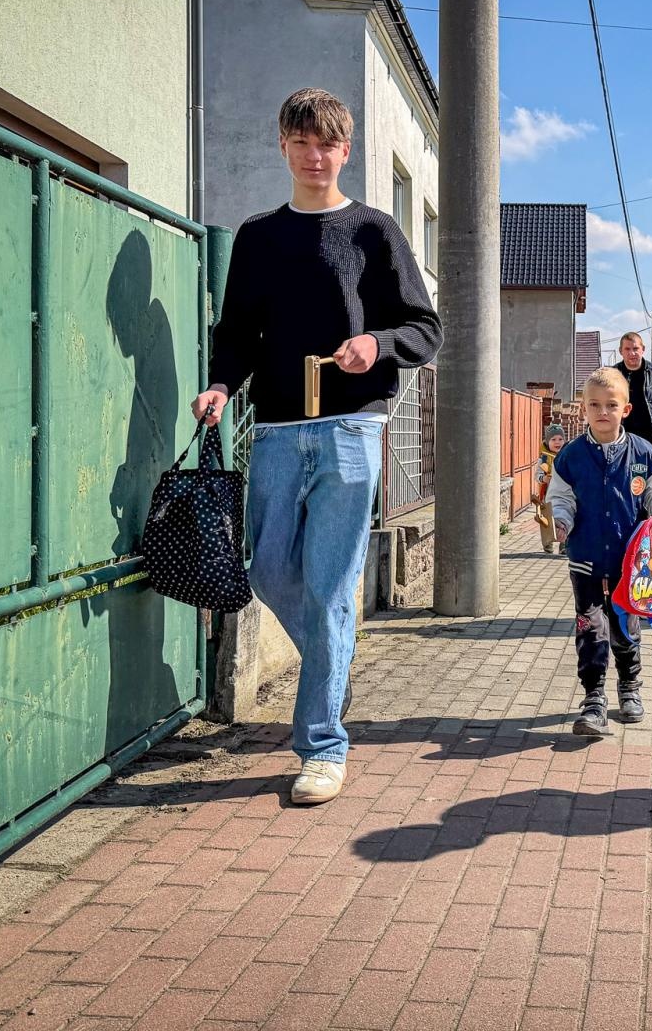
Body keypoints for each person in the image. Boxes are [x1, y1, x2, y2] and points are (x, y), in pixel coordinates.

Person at [192, 88, 442, 806]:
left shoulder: (372, 230)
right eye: (301, 141)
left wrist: (377, 341)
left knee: (332, 587)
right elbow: (237, 330)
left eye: (326, 143)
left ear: (345, 149)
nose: (313, 155)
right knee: (269, 571)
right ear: (282, 145)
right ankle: (332, 665)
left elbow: (426, 329)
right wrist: (219, 384)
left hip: (351, 428)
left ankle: (323, 746)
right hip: (273, 427)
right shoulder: (258, 236)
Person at [546, 368, 652, 737]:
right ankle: (593, 698)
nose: (602, 411)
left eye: (610, 405)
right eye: (594, 405)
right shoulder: (571, 456)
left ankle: (630, 688)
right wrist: (561, 520)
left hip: (629, 560)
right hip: (585, 556)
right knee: (590, 626)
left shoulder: (644, 453)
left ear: (626, 409)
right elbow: (561, 496)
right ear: (583, 409)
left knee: (624, 625)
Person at [534, 422, 567, 554]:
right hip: (548, 494)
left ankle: (564, 544)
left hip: (564, 493)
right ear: (548, 442)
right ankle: (547, 543)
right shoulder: (544, 458)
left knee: (564, 518)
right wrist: (544, 478)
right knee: (547, 519)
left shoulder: (567, 455)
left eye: (560, 439)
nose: (557, 442)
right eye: (553, 439)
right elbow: (537, 475)